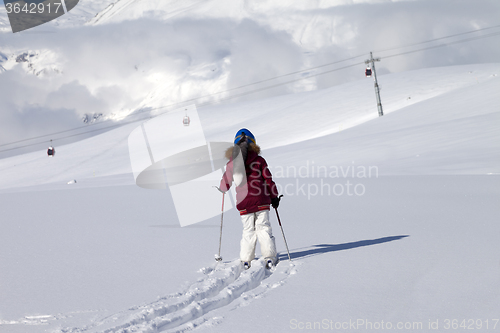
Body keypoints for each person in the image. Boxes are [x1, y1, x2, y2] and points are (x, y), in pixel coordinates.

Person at [219, 128, 281, 269]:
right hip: (261, 201)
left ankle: (246, 260)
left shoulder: (232, 163)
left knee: (248, 231)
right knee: (263, 228)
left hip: (244, 203)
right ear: (253, 143)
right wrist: (274, 197)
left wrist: (223, 188)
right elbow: (268, 180)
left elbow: (225, 183)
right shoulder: (259, 160)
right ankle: (269, 257)